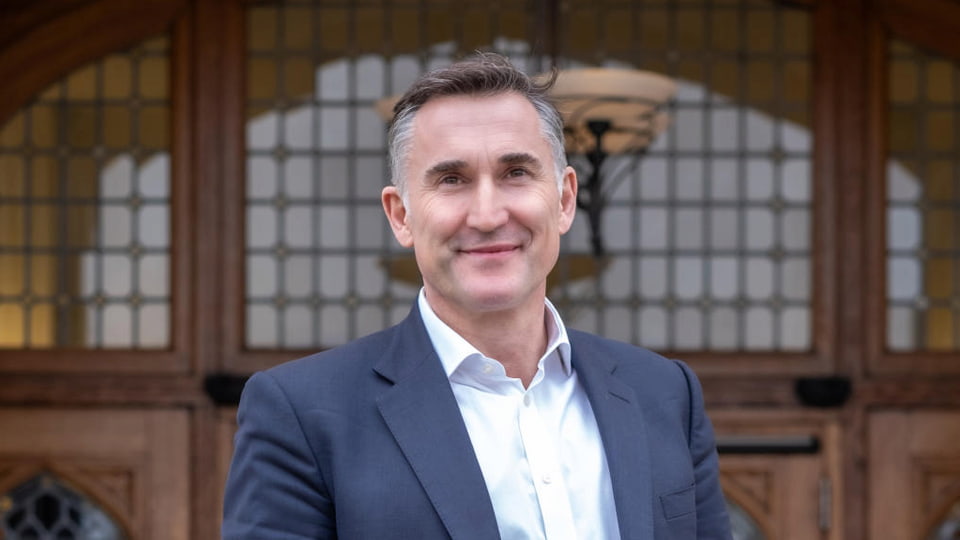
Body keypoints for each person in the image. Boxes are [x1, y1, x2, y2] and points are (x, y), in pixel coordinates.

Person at [222, 52, 732, 540]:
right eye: (452, 179)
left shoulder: (665, 394)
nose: (487, 215)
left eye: (516, 173)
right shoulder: (301, 414)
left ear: (564, 199)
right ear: (401, 216)